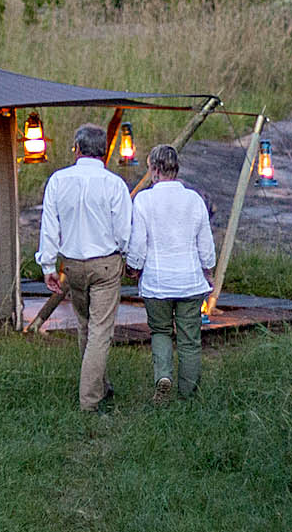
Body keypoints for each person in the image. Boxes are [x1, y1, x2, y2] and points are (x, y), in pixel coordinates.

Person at [37, 121, 133, 411]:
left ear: (77, 149)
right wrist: (130, 260)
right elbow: (124, 231)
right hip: (105, 265)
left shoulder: (58, 180)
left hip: (73, 265)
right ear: (103, 152)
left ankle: (100, 385)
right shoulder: (114, 184)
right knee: (101, 331)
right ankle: (90, 401)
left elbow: (49, 227)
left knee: (85, 326)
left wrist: (48, 266)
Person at [125, 144, 216, 403]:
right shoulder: (194, 199)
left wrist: (133, 267)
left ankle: (163, 376)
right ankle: (188, 393)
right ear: (176, 169)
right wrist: (207, 270)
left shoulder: (143, 200)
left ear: (153, 169)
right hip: (189, 282)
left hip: (157, 283)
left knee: (161, 332)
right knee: (190, 340)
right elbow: (206, 245)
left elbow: (138, 244)